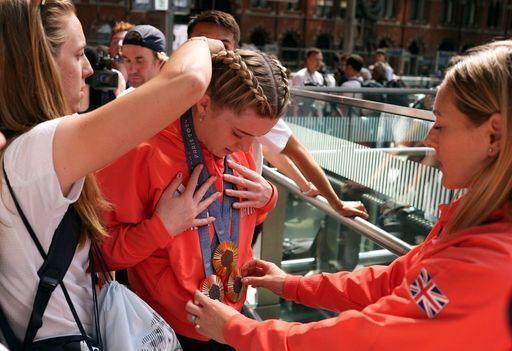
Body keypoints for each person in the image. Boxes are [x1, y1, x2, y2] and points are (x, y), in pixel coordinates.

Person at [185, 40, 512, 350]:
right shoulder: (472, 225)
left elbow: (359, 341)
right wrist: (292, 285)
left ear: (493, 135)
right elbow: (392, 281)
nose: (428, 138)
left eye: (440, 124)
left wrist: (237, 330)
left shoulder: (484, 265)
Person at [0, 0, 223, 347]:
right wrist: (202, 43)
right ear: (39, 66)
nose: (89, 68)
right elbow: (189, 81)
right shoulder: (38, 150)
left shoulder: (18, 150)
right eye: (77, 55)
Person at [96, 49, 289, 351]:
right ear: (203, 104)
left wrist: (268, 200)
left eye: (257, 137)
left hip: (230, 321)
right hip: (164, 331)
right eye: (240, 133)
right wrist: (162, 227)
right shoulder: (141, 149)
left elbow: (243, 222)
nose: (248, 148)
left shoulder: (237, 147)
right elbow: (99, 256)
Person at [188, 11, 367, 218]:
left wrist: (332, 201)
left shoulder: (251, 101)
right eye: (202, 43)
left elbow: (282, 147)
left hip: (236, 211)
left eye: (223, 44)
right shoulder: (169, 96)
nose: (213, 51)